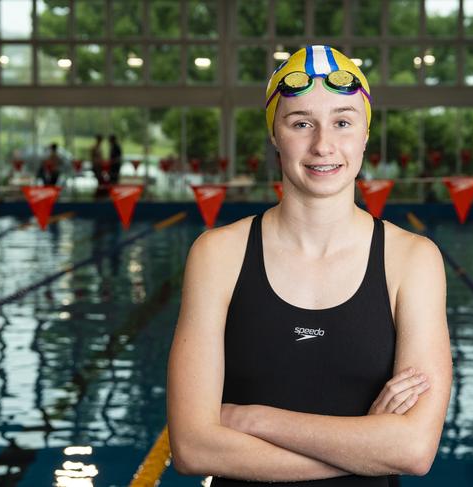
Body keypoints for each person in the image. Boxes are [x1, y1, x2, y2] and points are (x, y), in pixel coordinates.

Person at [167, 45, 452, 486]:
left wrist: (253, 419)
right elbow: (191, 448)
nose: (323, 145)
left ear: (364, 135)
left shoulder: (412, 260)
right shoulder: (218, 255)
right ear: (275, 135)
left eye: (342, 122)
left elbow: (414, 450)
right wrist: (368, 446)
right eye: (301, 123)